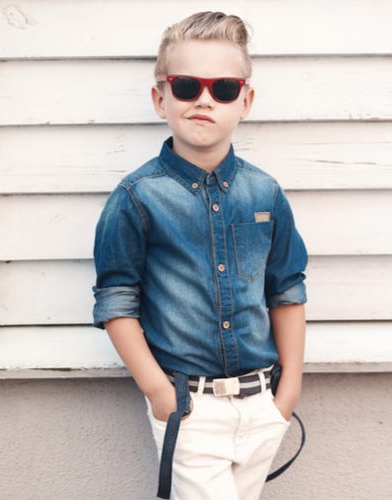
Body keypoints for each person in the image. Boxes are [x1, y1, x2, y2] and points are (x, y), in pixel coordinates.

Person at [91, 11, 308, 500]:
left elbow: (287, 289)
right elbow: (115, 301)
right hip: (189, 408)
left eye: (224, 89)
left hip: (261, 404)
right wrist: (160, 394)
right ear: (160, 98)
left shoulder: (265, 193)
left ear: (245, 100)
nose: (205, 100)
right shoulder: (137, 197)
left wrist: (287, 392)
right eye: (187, 86)